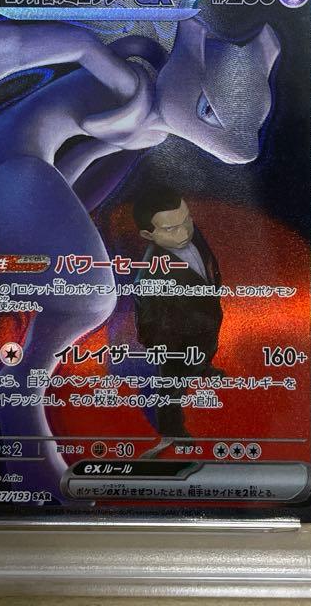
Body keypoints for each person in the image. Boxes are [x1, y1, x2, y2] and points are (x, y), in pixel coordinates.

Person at [132, 186, 224, 439]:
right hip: (176, 343)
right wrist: (170, 351)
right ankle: (171, 428)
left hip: (206, 323)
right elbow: (150, 324)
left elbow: (207, 262)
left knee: (206, 351)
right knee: (172, 385)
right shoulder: (149, 276)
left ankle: (202, 367)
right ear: (147, 234)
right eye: (171, 228)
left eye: (187, 220)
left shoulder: (192, 234)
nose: (184, 232)